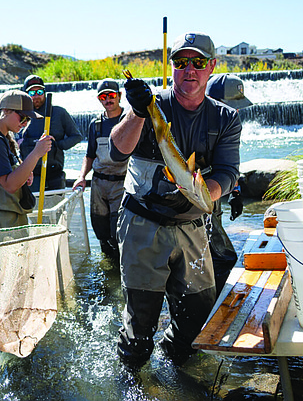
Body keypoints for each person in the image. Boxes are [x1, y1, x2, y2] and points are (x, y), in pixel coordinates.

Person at [109, 32, 242, 368]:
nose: (190, 70)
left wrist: (203, 193)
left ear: (211, 66)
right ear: (173, 68)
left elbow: (227, 172)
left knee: (197, 316)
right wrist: (138, 112)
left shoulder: (226, 119)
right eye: (181, 62)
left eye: (198, 62)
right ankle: (133, 378)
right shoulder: (152, 106)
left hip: (192, 226)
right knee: (140, 326)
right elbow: (117, 149)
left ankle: (174, 367)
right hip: (142, 223)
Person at [0, 90, 53, 228]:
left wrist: (24, 173)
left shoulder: (1, 138)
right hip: (2, 223)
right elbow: (9, 185)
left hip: (8, 218)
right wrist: (36, 153)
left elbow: (10, 176)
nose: (25, 123)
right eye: (22, 117)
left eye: (28, 119)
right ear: (6, 111)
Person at [72, 78, 129, 261]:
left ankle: (121, 268)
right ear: (99, 99)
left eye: (111, 95)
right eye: (103, 97)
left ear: (119, 96)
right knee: (101, 230)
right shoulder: (95, 125)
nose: (108, 100)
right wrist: (82, 177)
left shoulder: (129, 121)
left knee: (117, 230)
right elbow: (89, 156)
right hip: (98, 184)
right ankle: (107, 263)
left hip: (122, 183)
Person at [206, 73, 250, 295]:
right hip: (197, 201)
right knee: (222, 258)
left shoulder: (229, 122)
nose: (238, 111)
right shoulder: (199, 123)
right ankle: (220, 307)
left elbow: (228, 163)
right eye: (233, 105)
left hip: (214, 196)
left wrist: (235, 190)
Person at [19, 75, 83, 191]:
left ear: (44, 92)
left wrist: (58, 145)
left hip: (54, 174)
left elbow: (77, 136)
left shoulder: (59, 113)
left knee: (56, 207)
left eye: (39, 92)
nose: (36, 96)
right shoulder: (20, 116)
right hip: (29, 175)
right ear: (26, 95)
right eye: (32, 93)